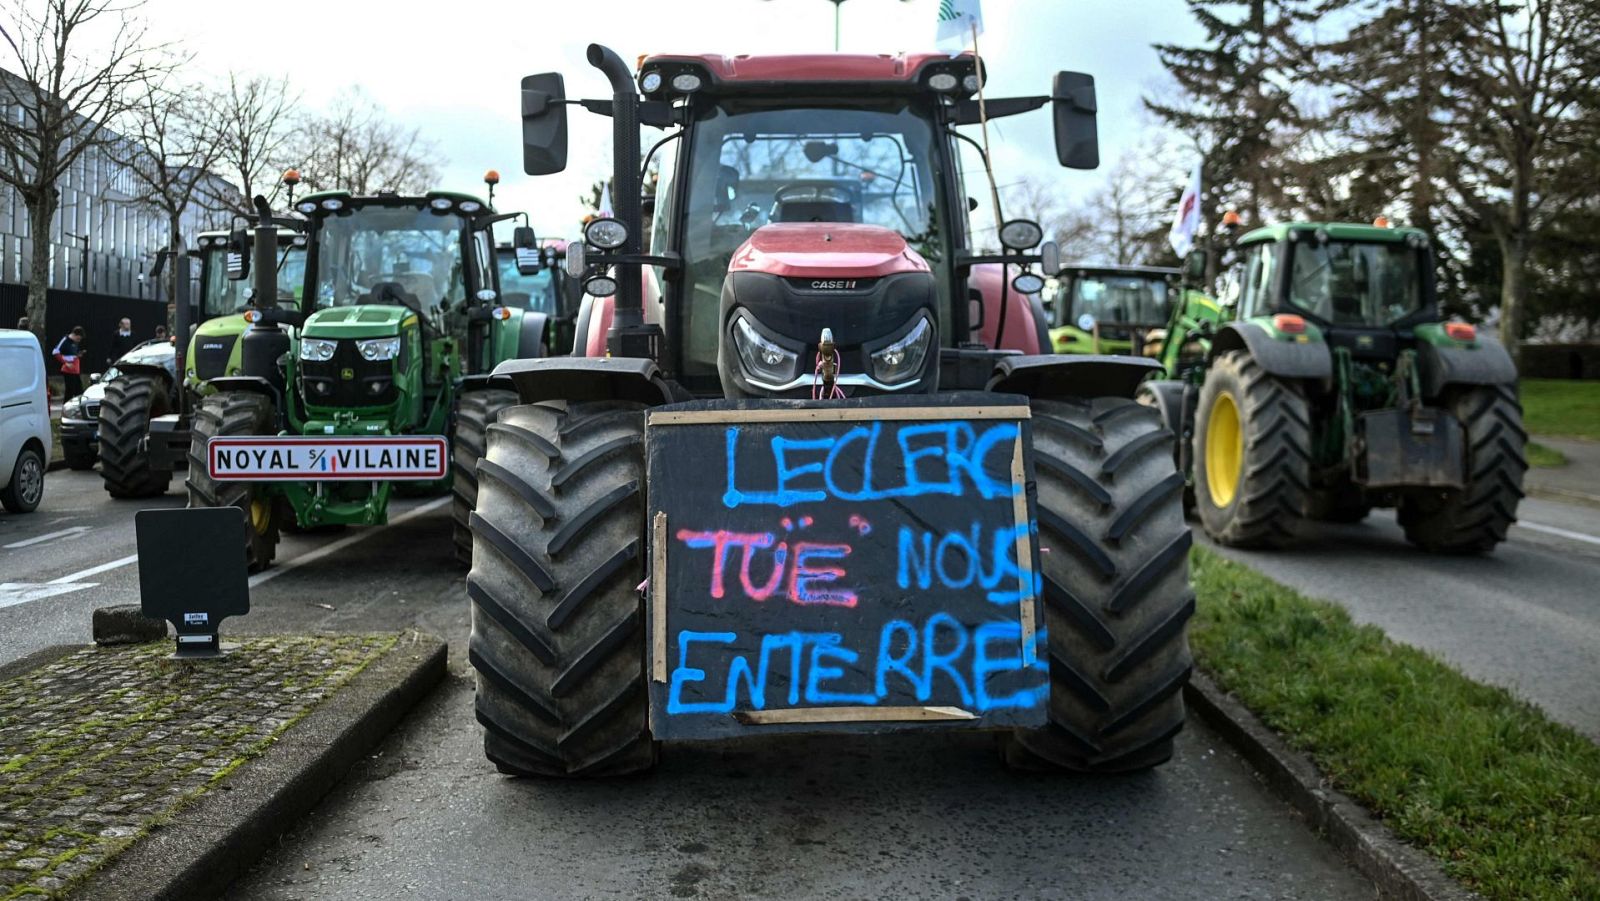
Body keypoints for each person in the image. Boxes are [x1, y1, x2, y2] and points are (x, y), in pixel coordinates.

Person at [52, 326, 86, 401]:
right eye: (78, 338)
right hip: (68, 370)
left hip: (76, 370)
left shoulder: (75, 343)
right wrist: (65, 363)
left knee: (79, 391)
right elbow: (55, 352)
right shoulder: (65, 340)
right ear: (74, 335)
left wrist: (78, 354)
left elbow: (71, 354)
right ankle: (66, 408)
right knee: (70, 392)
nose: (78, 341)